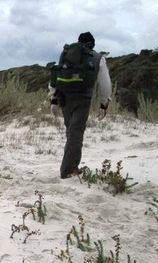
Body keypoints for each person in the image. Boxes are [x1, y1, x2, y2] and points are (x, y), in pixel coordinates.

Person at [49, 31, 112, 179]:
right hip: (83, 98)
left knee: (71, 131)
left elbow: (56, 75)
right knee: (76, 133)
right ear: (93, 44)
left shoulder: (66, 53)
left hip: (64, 96)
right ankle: (68, 169)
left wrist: (53, 99)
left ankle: (70, 164)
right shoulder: (97, 57)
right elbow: (105, 83)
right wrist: (104, 103)